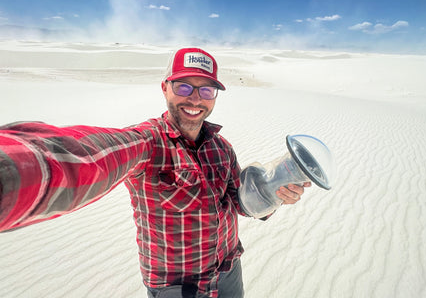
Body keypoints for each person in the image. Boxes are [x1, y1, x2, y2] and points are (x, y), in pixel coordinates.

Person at [0, 47, 310, 298]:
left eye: (207, 91)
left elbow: (239, 202)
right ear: (165, 88)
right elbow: (88, 157)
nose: (195, 99)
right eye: (184, 86)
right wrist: (15, 170)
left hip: (228, 273)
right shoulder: (148, 143)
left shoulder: (222, 148)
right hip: (178, 289)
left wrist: (273, 193)